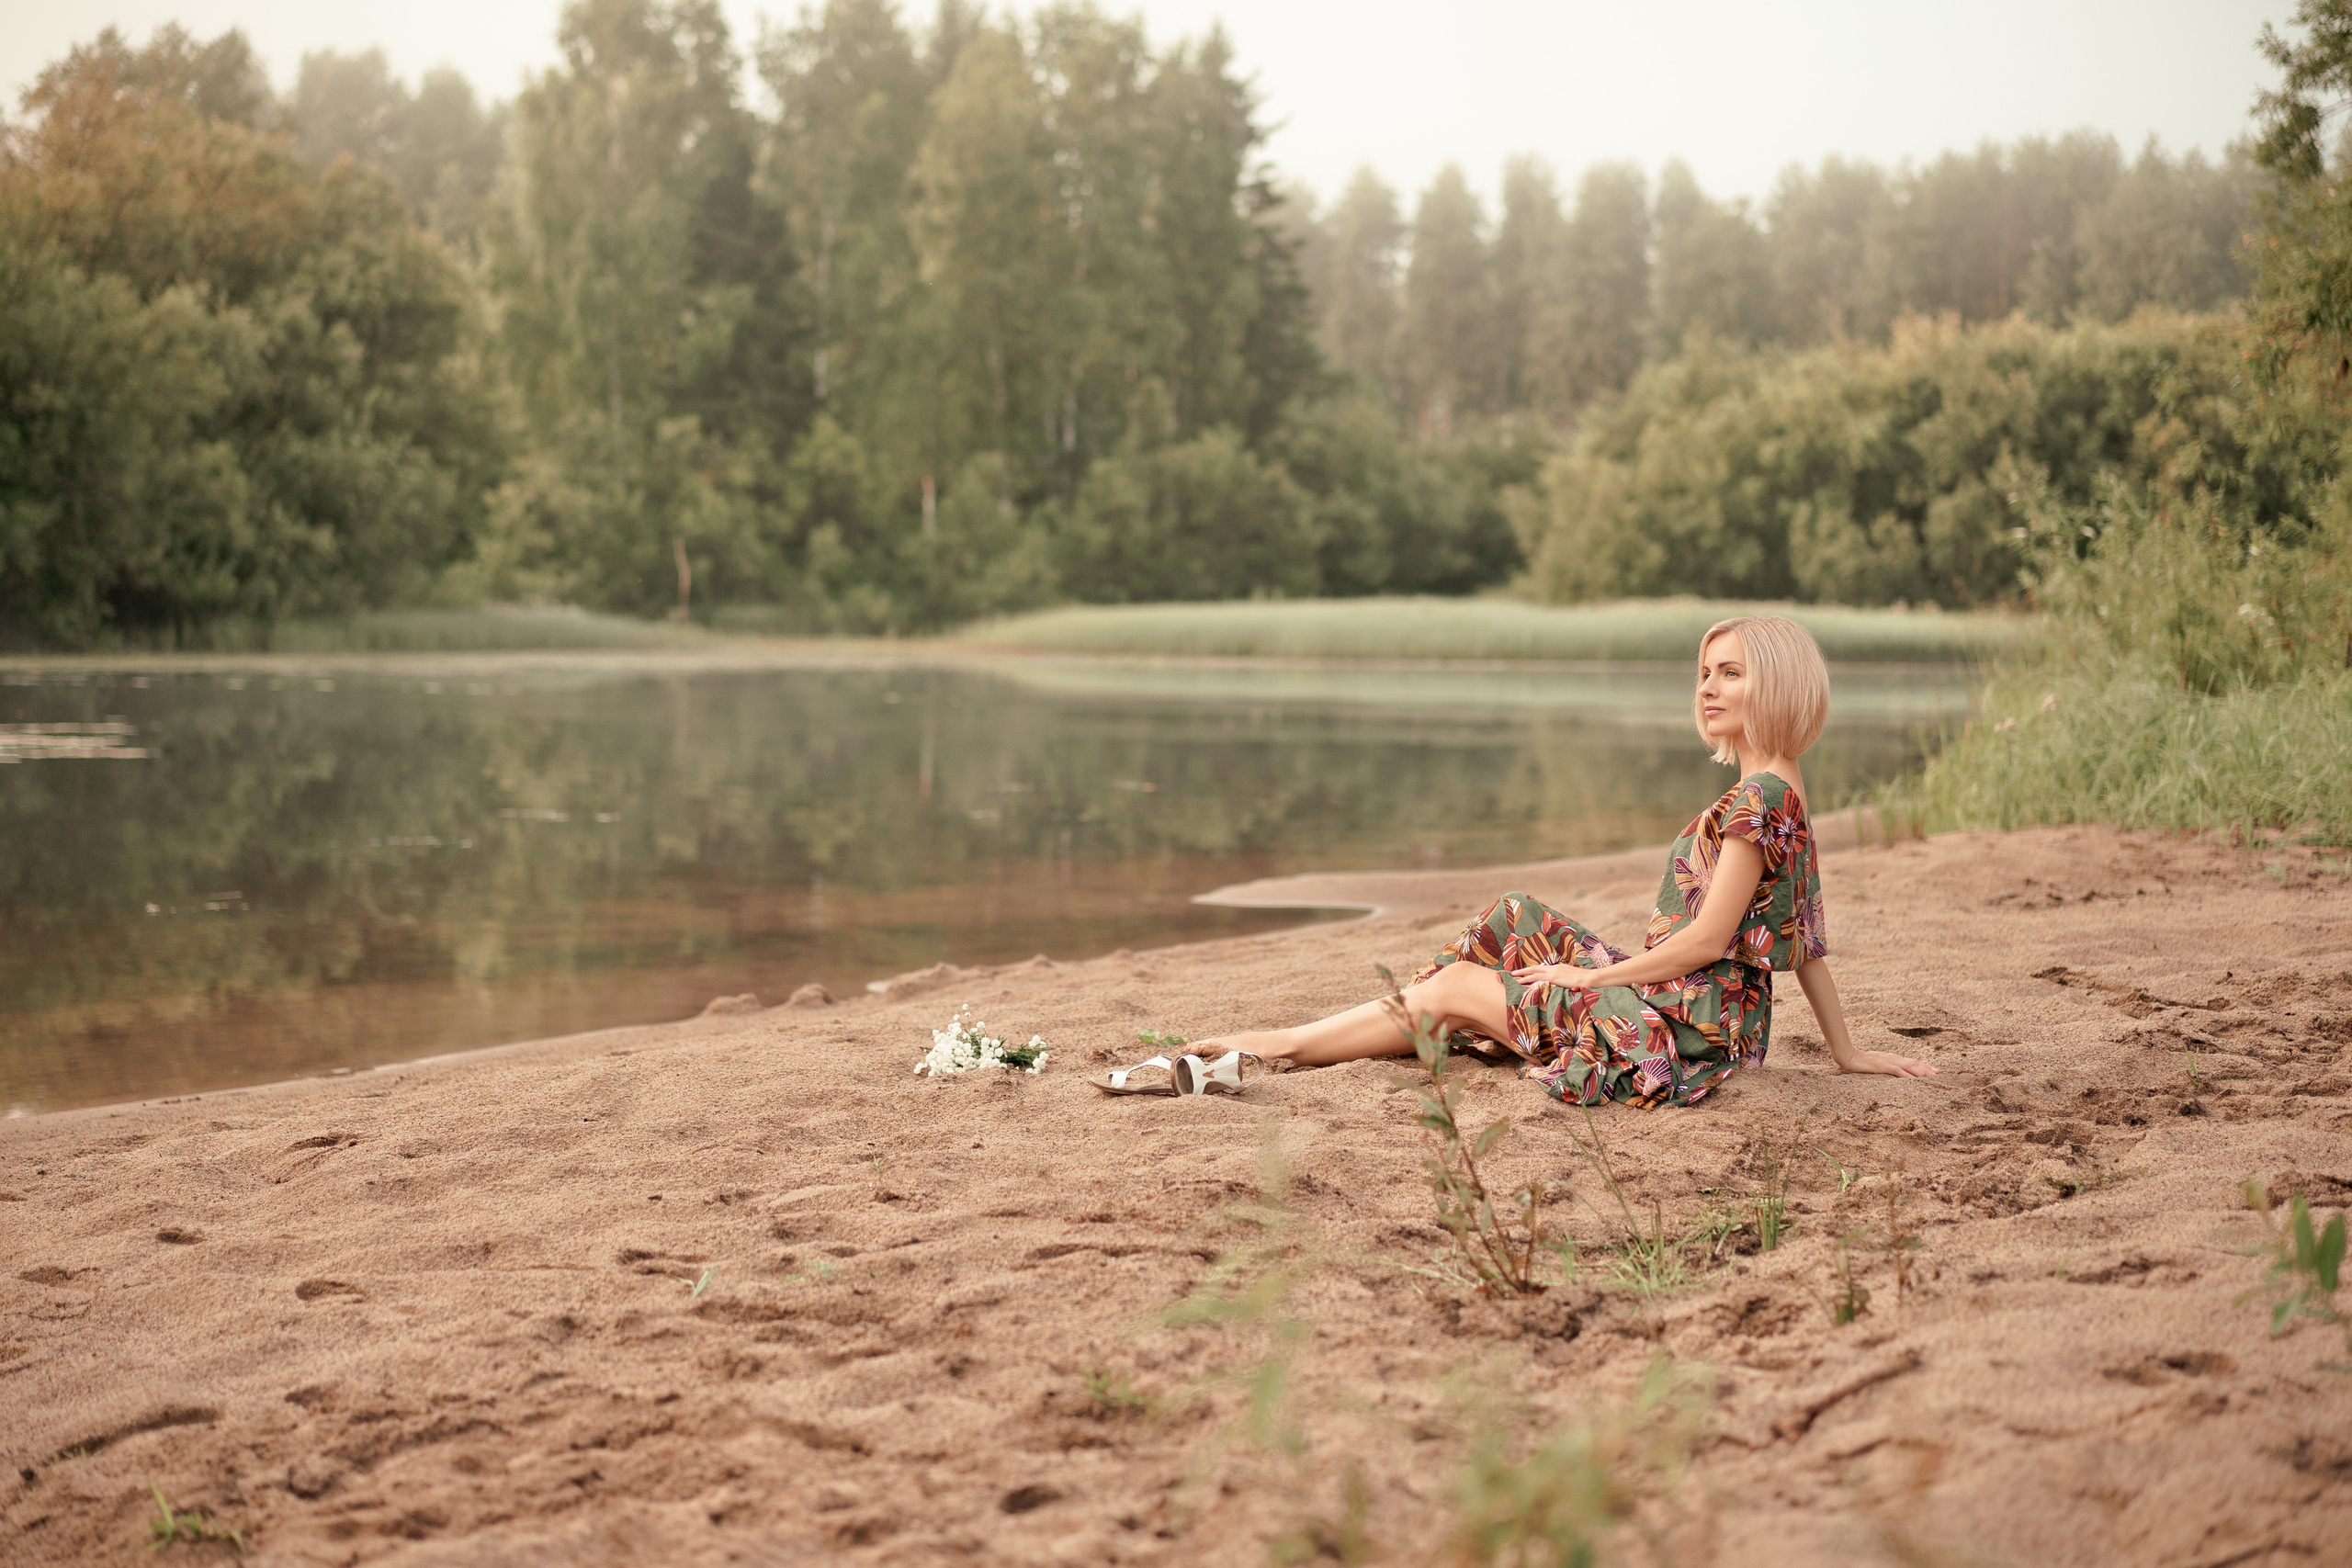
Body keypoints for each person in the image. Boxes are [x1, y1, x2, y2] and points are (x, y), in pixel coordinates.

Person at [1093, 615, 1938, 1103]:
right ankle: (1402, 1023)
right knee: (1513, 919)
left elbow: (1710, 941)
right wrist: (1845, 1051)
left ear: (1777, 684)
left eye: (1730, 673)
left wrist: (1591, 978)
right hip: (1700, 1017)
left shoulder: (1757, 804)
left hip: (1684, 1038)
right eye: (1703, 673)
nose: (1707, 688)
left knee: (1460, 987)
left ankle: (1280, 1047)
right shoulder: (1784, 790)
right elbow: (1805, 939)